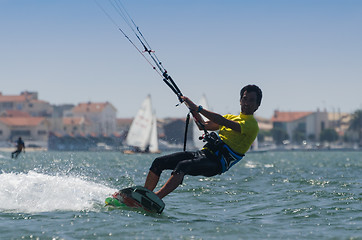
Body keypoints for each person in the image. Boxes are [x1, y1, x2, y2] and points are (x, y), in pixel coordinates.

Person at [143, 84, 262, 199]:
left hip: (216, 164)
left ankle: (155, 198)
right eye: (244, 99)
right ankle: (144, 195)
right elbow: (203, 125)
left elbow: (222, 121)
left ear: (257, 105)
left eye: (251, 100)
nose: (247, 103)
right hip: (203, 154)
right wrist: (192, 108)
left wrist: (198, 108)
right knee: (159, 162)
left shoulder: (251, 125)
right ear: (240, 100)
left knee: (182, 166)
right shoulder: (231, 117)